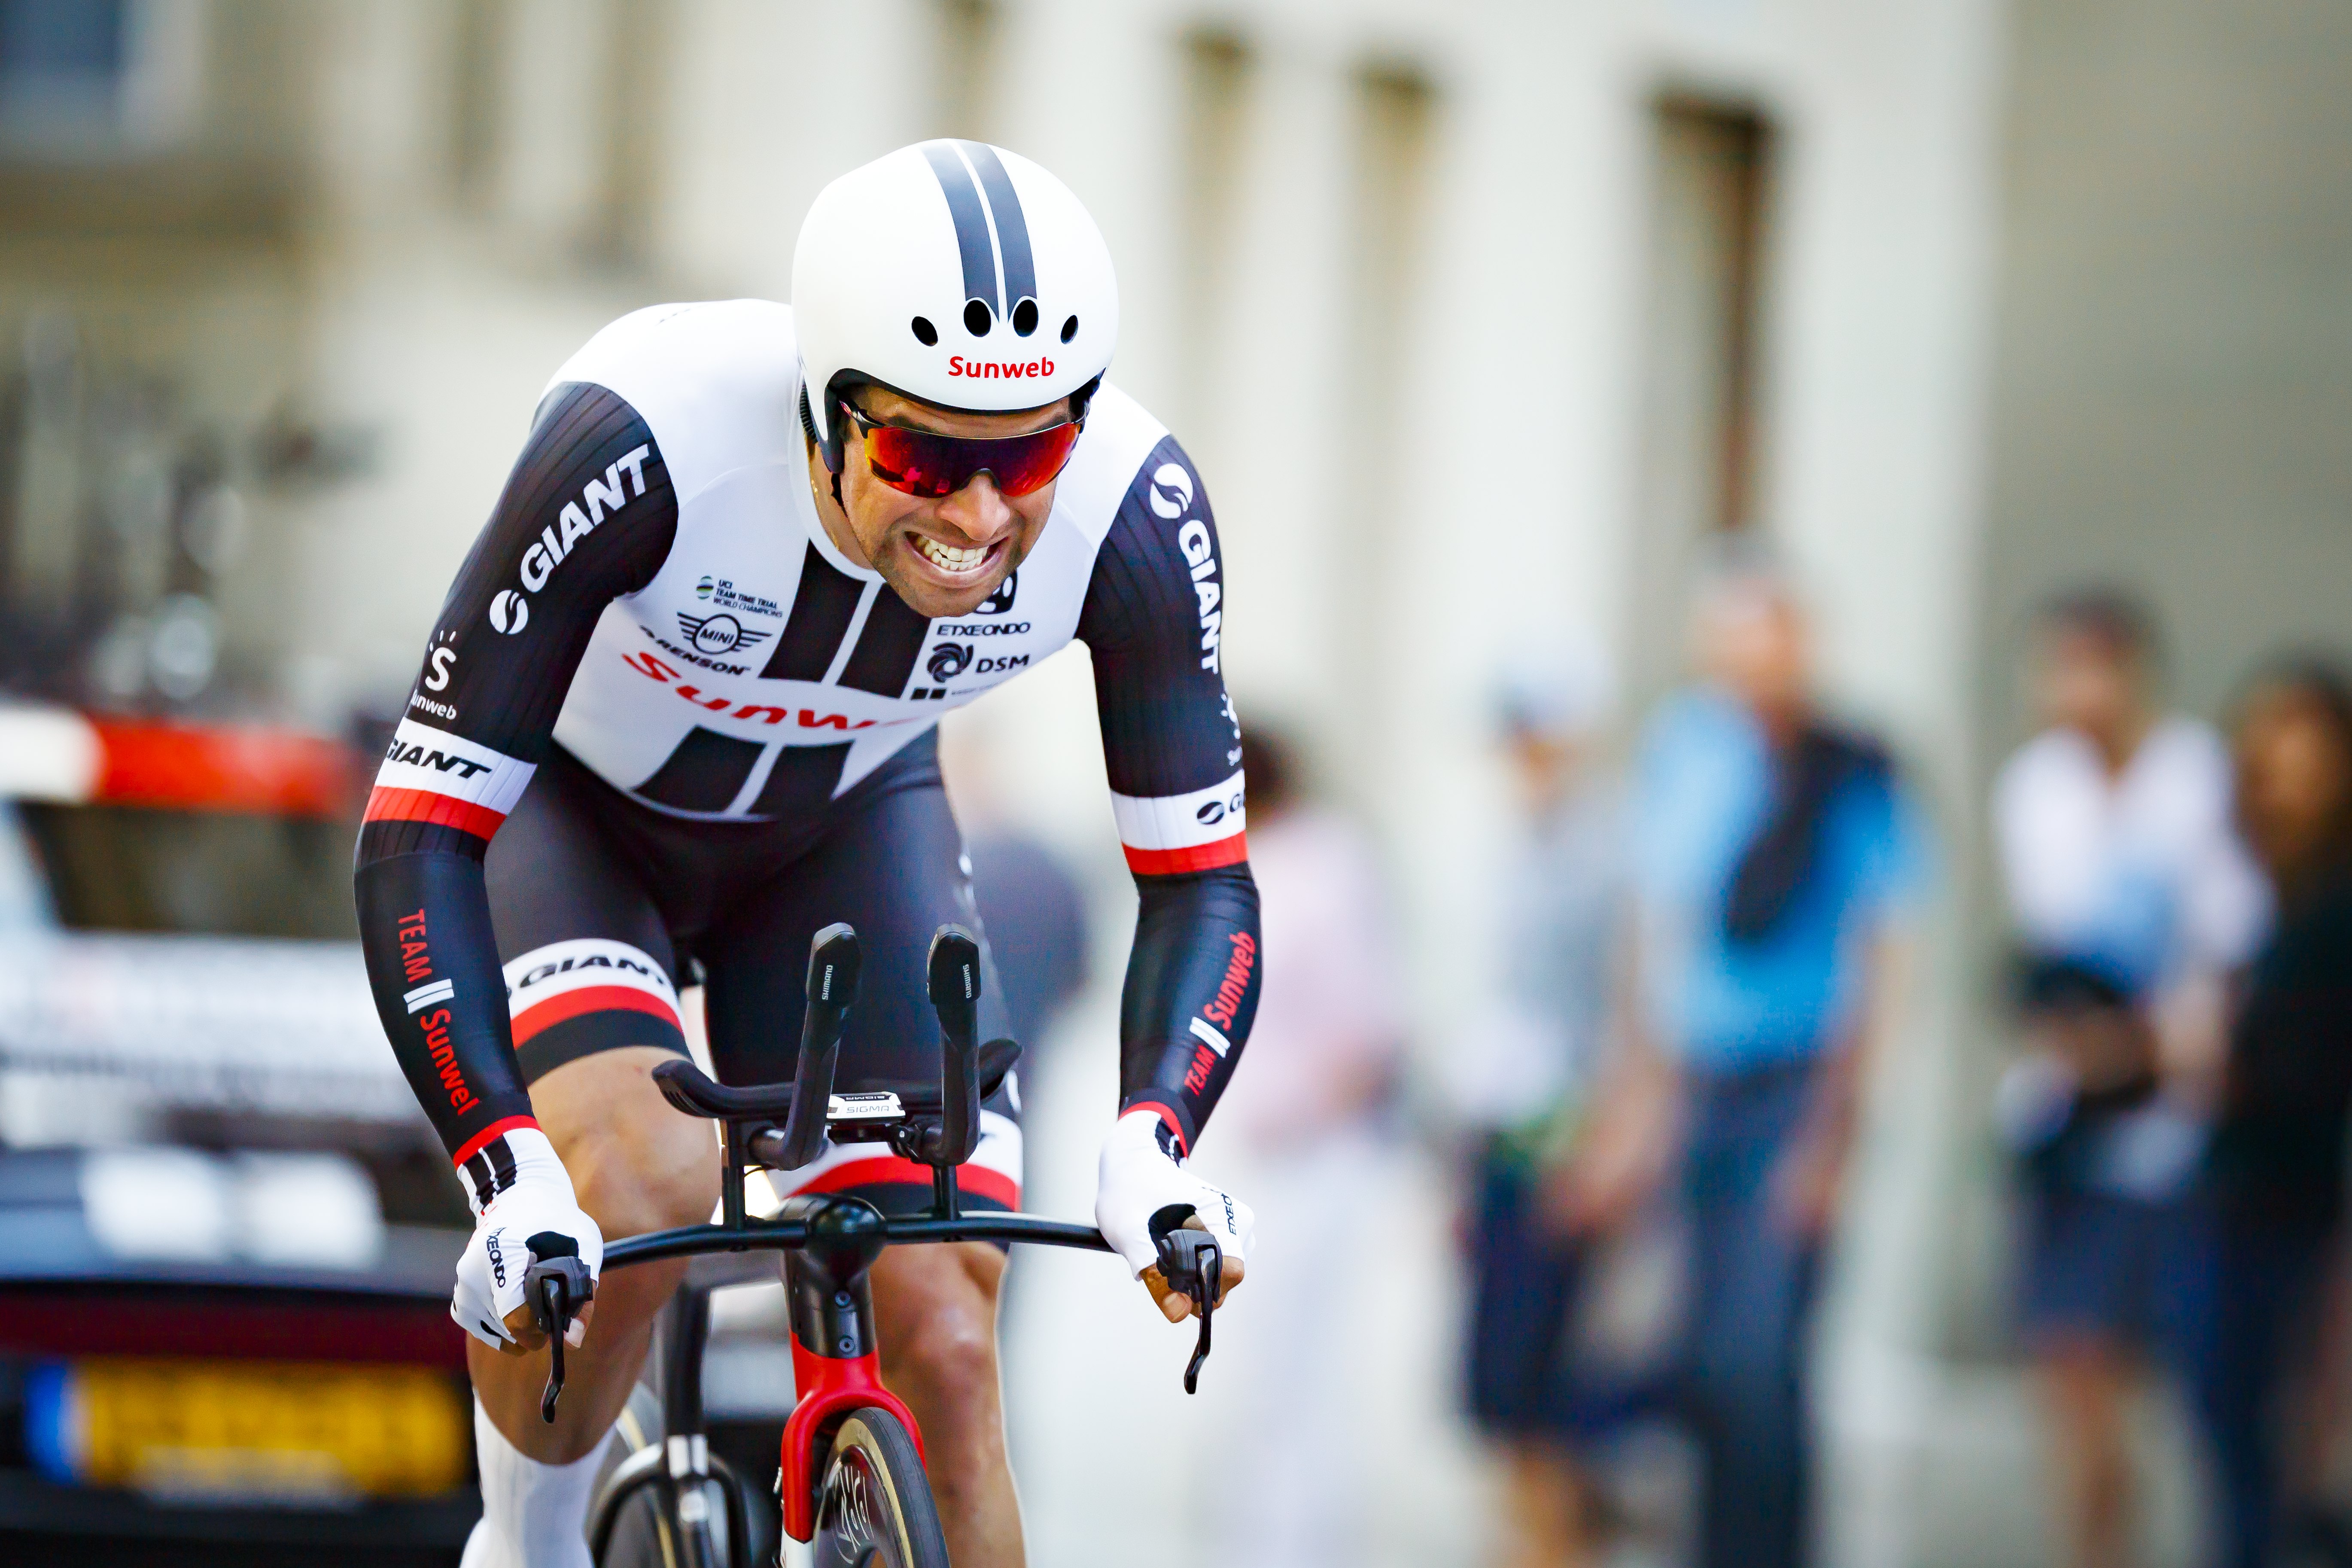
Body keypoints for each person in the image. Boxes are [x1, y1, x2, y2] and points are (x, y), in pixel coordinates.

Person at [351, 142, 1260, 1568]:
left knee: (944, 1333)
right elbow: (415, 834)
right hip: (578, 816)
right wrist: (504, 1166)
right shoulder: (641, 440)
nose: (978, 518)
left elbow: (1200, 879)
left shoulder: (1133, 517)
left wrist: (1156, 1137)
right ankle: (526, 1544)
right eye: (923, 458)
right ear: (825, 407)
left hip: (840, 831)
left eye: (1030, 455)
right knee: (636, 1181)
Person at [1588, 553, 1927, 1568]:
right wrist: (1637, 1097)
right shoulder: (1687, 748)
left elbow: (1881, 953)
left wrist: (1835, 1133)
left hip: (1795, 1086)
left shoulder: (1851, 767)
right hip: (1698, 1080)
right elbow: (1653, 925)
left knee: (1762, 1355)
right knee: (1698, 1349)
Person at [1989, 590, 2266, 1568]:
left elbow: (2228, 957)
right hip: (2067, 1124)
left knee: (2191, 1391)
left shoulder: (2198, 783)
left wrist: (2146, 1048)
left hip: (2174, 1133)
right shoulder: (2035, 790)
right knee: (2071, 1377)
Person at [1196, 725, 1408, 1568]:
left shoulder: (1322, 867)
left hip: (1313, 1155)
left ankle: (1293, 1546)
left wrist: (1298, 1112)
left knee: (1294, 1377)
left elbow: (1367, 1028)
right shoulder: (1274, 866)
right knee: (1264, 1374)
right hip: (1268, 1154)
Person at [1453, 664, 1631, 1568]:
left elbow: (1631, 1009)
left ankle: (1556, 1546)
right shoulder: (1515, 848)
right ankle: (1524, 1541)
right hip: (1508, 1127)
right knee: (1499, 1382)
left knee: (1544, 1381)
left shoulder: (1608, 856)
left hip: (1568, 1134)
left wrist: (1611, 1145)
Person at [2193, 659, 2352, 1568]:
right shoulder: (2254, 887)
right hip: (2240, 1196)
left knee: (2283, 1459)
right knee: (2239, 1447)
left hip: (2304, 1210)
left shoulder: (2333, 909)